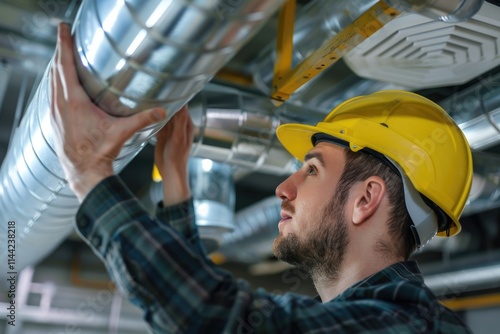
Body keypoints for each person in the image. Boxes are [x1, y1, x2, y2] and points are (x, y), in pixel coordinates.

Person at [50, 23, 474, 333]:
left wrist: (90, 172)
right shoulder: (386, 319)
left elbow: (214, 320)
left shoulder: (409, 328)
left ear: (365, 199)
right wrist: (176, 181)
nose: (283, 189)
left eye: (312, 169)